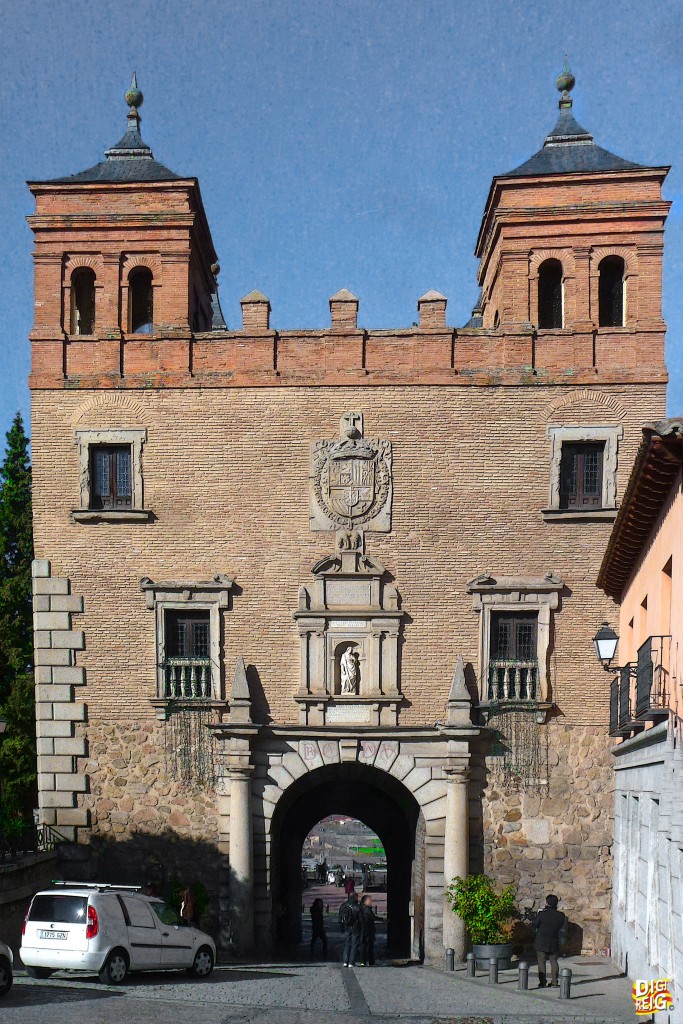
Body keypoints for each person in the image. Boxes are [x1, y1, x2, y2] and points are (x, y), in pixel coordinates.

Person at [532, 894, 567, 988]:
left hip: (541, 941)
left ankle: (542, 982)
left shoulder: (542, 914)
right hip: (554, 941)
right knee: (554, 962)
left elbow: (535, 924)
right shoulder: (561, 916)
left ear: (547, 903)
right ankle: (555, 982)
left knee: (541, 962)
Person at [339, 891, 361, 967]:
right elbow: (361, 919)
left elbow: (340, 918)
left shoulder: (343, 906)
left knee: (346, 944)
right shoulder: (357, 907)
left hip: (346, 927)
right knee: (354, 945)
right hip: (355, 928)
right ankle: (351, 962)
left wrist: (341, 927)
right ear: (355, 897)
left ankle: (345, 961)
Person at [358, 894, 376, 966]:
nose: (371, 902)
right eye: (369, 900)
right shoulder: (365, 910)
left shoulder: (365, 908)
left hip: (366, 931)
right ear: (365, 901)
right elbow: (371, 918)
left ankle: (366, 961)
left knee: (367, 947)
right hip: (366, 931)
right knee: (366, 947)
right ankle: (366, 961)